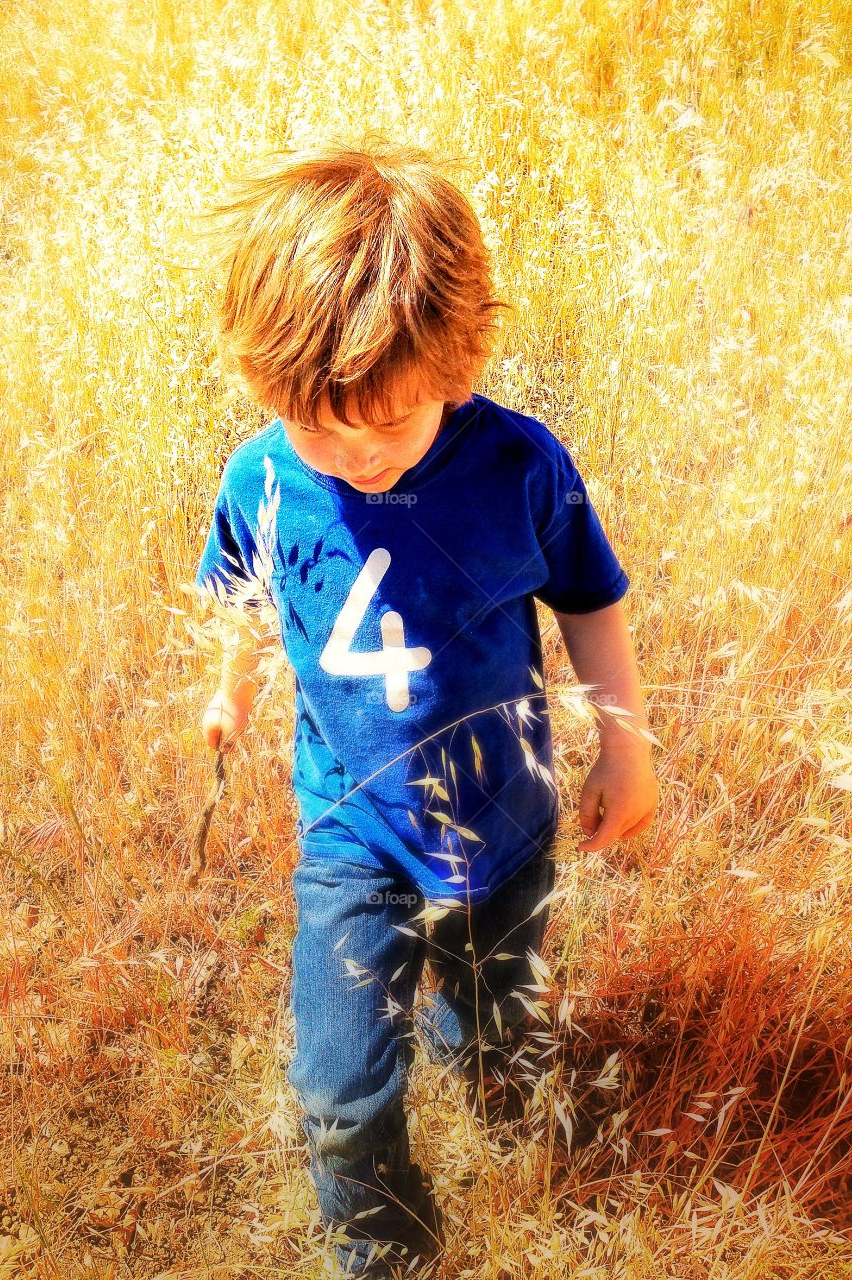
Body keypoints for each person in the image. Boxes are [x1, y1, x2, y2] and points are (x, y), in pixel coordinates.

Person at [193, 137, 659, 1278]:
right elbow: (245, 597)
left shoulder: (520, 466)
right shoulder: (260, 474)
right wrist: (228, 688)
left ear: (459, 363)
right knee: (339, 1082)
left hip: (506, 819)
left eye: (388, 423)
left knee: (498, 1026)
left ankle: (497, 1097)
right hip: (350, 826)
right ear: (266, 382)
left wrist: (627, 748)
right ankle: (383, 1247)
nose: (353, 456)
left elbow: (591, 602)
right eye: (320, 425)